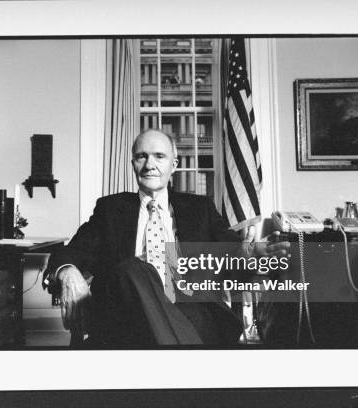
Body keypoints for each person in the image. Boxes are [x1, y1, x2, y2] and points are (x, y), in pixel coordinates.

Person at [43, 129, 289, 346]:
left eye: (159, 156)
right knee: (133, 269)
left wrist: (253, 257)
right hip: (126, 313)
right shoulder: (111, 209)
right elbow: (70, 254)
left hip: (194, 311)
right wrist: (67, 271)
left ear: (175, 165)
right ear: (133, 164)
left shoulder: (200, 209)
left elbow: (233, 257)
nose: (150, 164)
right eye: (142, 156)